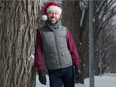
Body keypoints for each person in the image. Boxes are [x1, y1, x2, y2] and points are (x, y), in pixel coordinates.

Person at [34, 1, 81, 87]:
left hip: (68, 68)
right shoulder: (41, 32)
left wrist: (77, 65)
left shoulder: (65, 30)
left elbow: (72, 48)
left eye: (56, 13)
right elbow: (39, 51)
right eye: (51, 13)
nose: (53, 15)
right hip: (53, 71)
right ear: (47, 15)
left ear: (59, 16)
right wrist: (40, 70)